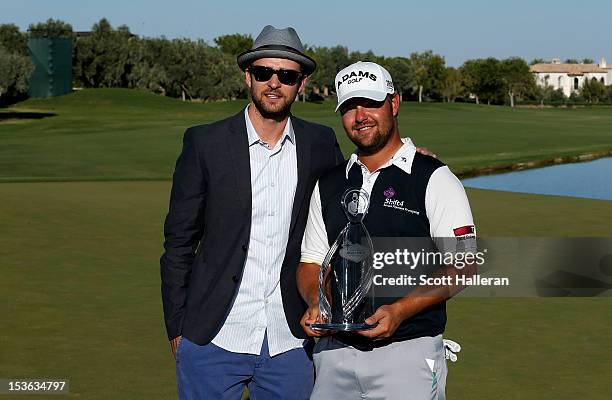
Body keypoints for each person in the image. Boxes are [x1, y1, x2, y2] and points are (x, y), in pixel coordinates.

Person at [297, 61, 477, 400]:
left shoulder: (434, 177)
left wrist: (400, 310)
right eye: (349, 107)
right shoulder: (329, 183)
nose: (360, 115)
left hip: (408, 351)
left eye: (370, 103)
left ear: (393, 103)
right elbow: (311, 263)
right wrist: (315, 301)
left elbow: (464, 265)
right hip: (334, 354)